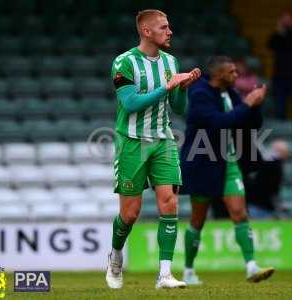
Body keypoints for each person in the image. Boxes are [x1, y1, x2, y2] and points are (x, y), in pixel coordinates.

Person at [106, 9, 201, 290]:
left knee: (169, 202)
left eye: (169, 26)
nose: (170, 31)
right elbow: (131, 103)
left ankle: (165, 275)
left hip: (163, 140)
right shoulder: (124, 63)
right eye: (164, 27)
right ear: (146, 31)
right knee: (130, 214)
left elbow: (180, 109)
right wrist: (167, 86)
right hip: (132, 142)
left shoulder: (171, 62)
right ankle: (115, 256)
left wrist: (182, 88)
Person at [180, 56, 275, 285]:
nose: (236, 76)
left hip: (229, 163)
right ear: (218, 75)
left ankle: (251, 266)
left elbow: (249, 124)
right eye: (232, 72)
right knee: (197, 220)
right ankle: (189, 270)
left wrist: (256, 105)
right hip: (203, 163)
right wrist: (247, 104)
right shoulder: (199, 94)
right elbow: (219, 123)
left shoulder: (230, 93)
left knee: (239, 213)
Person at [268, 10, 292, 141]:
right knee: (280, 109)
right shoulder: (278, 34)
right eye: (283, 18)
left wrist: (284, 34)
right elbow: (270, 45)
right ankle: (282, 138)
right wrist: (279, 33)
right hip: (279, 77)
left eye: (288, 19)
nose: (285, 21)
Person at [246, 140, 288, 219]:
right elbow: (273, 188)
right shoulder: (274, 165)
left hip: (256, 202)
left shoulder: (267, 162)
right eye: (285, 151)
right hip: (261, 205)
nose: (287, 154)